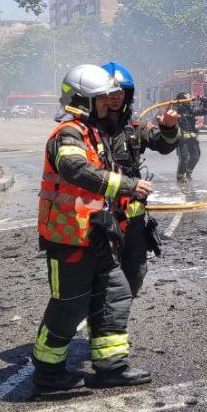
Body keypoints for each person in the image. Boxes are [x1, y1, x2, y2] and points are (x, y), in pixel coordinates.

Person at [31, 63, 153, 391]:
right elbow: (74, 168)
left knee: (115, 293)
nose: (106, 103)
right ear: (82, 100)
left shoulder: (92, 132)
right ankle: (47, 372)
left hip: (96, 236)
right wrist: (127, 186)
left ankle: (111, 366)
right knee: (69, 304)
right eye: (99, 99)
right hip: (68, 236)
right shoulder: (68, 133)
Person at [99, 62, 180, 298]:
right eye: (109, 92)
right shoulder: (87, 129)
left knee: (134, 274)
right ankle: (104, 326)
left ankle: (113, 323)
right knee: (101, 276)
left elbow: (163, 145)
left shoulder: (135, 129)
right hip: (98, 220)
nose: (115, 97)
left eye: (120, 92)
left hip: (133, 220)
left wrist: (168, 127)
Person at [174, 91, 207, 190]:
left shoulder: (191, 110)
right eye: (187, 101)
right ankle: (180, 179)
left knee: (196, 156)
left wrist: (205, 102)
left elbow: (204, 111)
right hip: (182, 140)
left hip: (192, 139)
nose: (190, 103)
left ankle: (188, 173)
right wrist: (176, 105)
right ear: (182, 102)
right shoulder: (176, 111)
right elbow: (170, 114)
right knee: (184, 159)